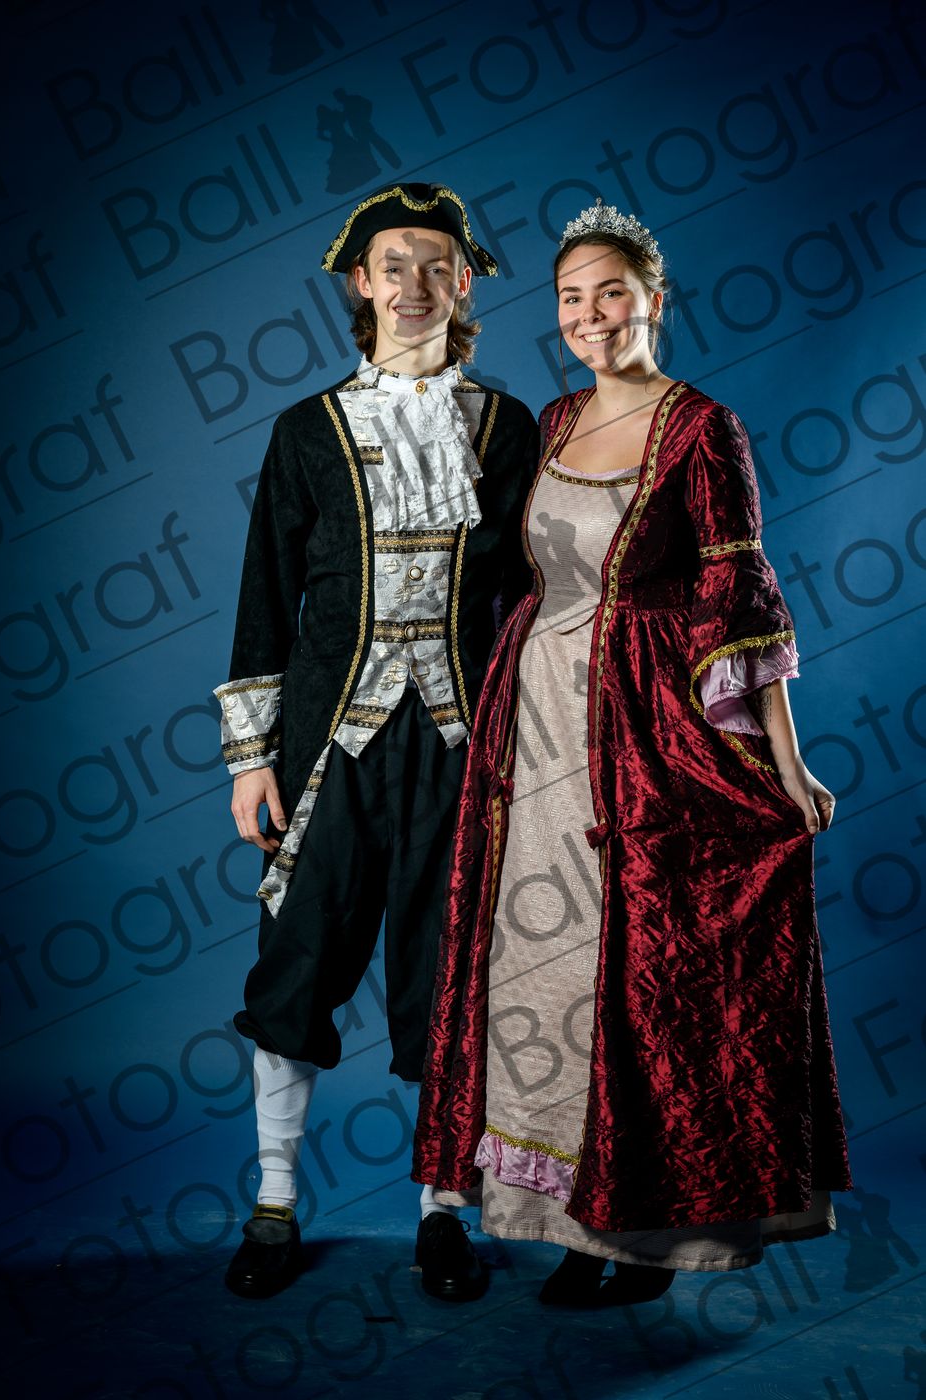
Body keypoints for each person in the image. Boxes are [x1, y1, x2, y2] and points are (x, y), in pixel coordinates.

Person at [412, 200, 853, 1306]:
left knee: (642, 978)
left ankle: (645, 1236)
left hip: (648, 736)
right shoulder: (555, 419)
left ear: (655, 298)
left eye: (611, 292)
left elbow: (737, 599)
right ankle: (570, 1219)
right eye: (571, 297)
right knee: (545, 970)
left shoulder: (704, 429)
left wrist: (784, 762)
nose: (590, 315)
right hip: (533, 734)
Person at [214, 182, 538, 1299]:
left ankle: (443, 1210)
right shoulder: (305, 430)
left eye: (436, 265)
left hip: (462, 743)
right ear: (360, 282)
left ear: (465, 284)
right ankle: (272, 1202)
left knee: (449, 971)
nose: (413, 285)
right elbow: (265, 597)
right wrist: (250, 759)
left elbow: (532, 597)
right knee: (299, 960)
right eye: (393, 265)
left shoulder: (507, 427)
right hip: (326, 745)